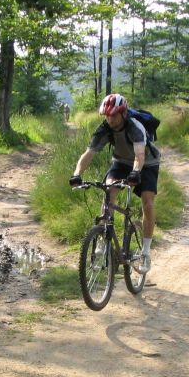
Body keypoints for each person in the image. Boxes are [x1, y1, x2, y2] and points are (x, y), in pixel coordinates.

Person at [69, 93, 160, 273]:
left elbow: (140, 155)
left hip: (147, 163)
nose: (110, 119)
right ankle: (103, 239)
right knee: (109, 191)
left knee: (147, 203)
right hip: (120, 162)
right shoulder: (105, 128)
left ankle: (146, 252)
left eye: (113, 115)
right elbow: (88, 154)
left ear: (123, 113)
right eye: (107, 115)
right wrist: (77, 174)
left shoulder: (135, 127)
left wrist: (135, 173)